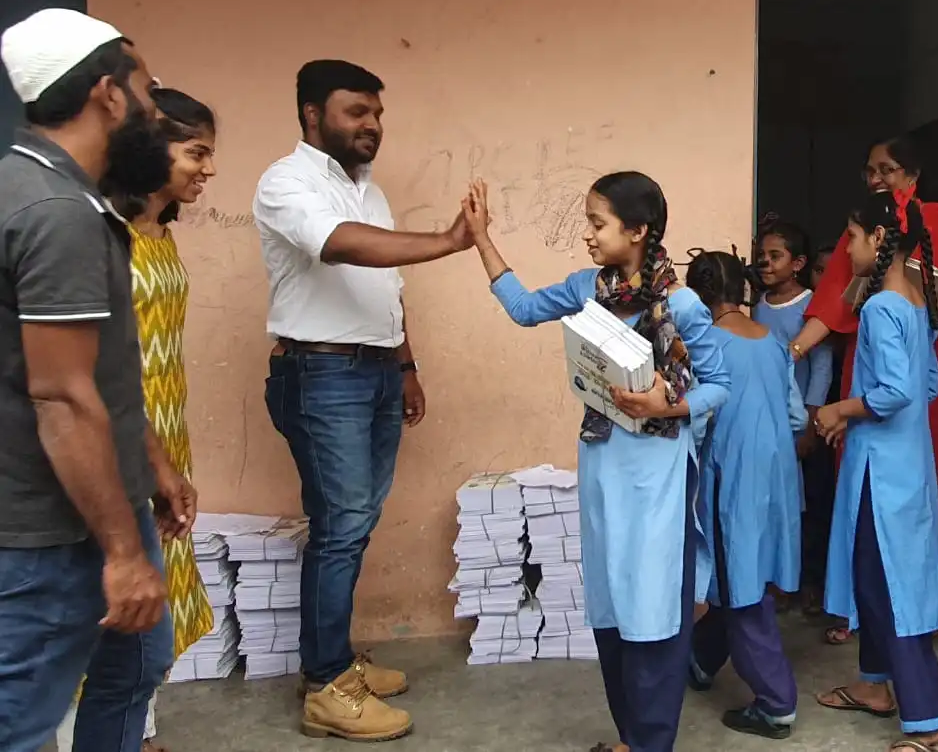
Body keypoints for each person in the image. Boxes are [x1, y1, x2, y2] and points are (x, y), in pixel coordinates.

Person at [462, 173, 730, 752]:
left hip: (658, 473)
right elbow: (523, 308)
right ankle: (631, 736)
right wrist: (481, 238)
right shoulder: (588, 290)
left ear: (637, 231)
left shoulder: (682, 305)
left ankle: (653, 741)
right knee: (611, 601)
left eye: (597, 222)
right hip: (603, 466)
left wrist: (668, 404)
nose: (587, 234)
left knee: (653, 603)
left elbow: (720, 385)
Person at [252, 60, 472, 741]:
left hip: (373, 371)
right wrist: (447, 240)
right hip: (322, 374)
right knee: (341, 526)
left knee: (352, 522)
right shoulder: (285, 182)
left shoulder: (367, 191)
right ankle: (325, 685)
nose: (372, 125)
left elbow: (388, 286)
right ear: (312, 114)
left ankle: (334, 661)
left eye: (376, 113)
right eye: (356, 111)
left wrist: (406, 366)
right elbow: (340, 246)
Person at [0, 9, 195, 752]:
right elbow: (59, 395)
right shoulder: (57, 213)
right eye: (146, 89)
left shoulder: (57, 192)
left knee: (137, 659)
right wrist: (121, 552)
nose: (155, 109)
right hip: (53, 525)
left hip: (99, 499)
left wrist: (151, 461)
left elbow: (96, 370)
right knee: (20, 720)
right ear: (108, 95)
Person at [57, 89, 220, 752]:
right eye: (195, 153)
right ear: (151, 149)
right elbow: (90, 364)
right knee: (107, 604)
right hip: (116, 435)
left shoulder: (158, 232)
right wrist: (149, 455)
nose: (208, 169)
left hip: (163, 429)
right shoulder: (102, 233)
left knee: (152, 604)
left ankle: (138, 731)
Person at [790, 135, 938, 644]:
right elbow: (833, 302)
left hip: (913, 379)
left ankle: (901, 616)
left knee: (909, 499)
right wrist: (789, 353)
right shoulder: (866, 238)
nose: (877, 177)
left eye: (888, 168)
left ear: (914, 174)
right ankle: (893, 620)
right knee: (890, 500)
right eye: (870, 169)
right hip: (888, 376)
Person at [812, 189, 938, 752]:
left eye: (851, 237)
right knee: (879, 577)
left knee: (888, 586)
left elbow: (896, 391)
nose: (846, 249)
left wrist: (840, 409)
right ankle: (875, 685)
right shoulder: (916, 301)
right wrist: (859, 411)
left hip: (883, 473)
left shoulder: (879, 308)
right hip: (907, 464)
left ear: (878, 238)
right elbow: (927, 384)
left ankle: (931, 722)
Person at [685, 249, 806, 740]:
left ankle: (776, 703)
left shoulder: (705, 345)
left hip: (731, 478)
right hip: (777, 476)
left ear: (697, 298)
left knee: (741, 588)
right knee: (740, 577)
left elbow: (695, 421)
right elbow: (796, 415)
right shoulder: (774, 342)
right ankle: (698, 658)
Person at [752, 215, 835, 615]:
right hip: (768, 421)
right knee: (777, 503)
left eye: (775, 256)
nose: (765, 263)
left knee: (811, 504)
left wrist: (811, 421)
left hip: (801, 421)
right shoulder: (757, 308)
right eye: (762, 256)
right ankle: (779, 578)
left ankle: (811, 582)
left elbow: (822, 366)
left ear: (798, 263)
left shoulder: (810, 306)